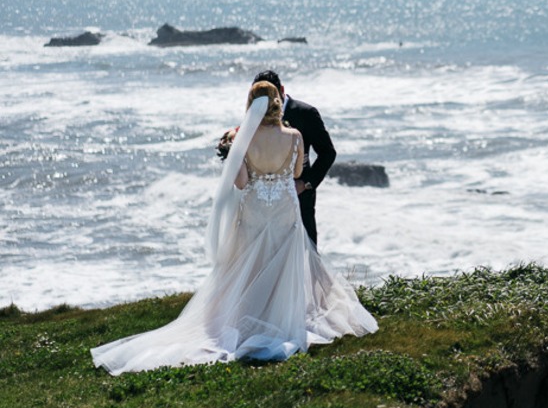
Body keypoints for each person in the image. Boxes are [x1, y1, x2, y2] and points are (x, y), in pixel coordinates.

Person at [91, 82, 376, 375]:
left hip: (254, 208)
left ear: (251, 105)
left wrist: (236, 154)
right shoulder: (294, 136)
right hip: (284, 207)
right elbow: (297, 172)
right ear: (278, 103)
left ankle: (248, 316)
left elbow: (241, 182)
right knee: (282, 260)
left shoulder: (243, 139)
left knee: (250, 262)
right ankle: (282, 316)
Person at [252, 70, 334, 249]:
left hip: (299, 198)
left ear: (282, 90)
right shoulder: (255, 116)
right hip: (264, 203)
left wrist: (305, 183)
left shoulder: (306, 113)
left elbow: (328, 153)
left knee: (304, 253)